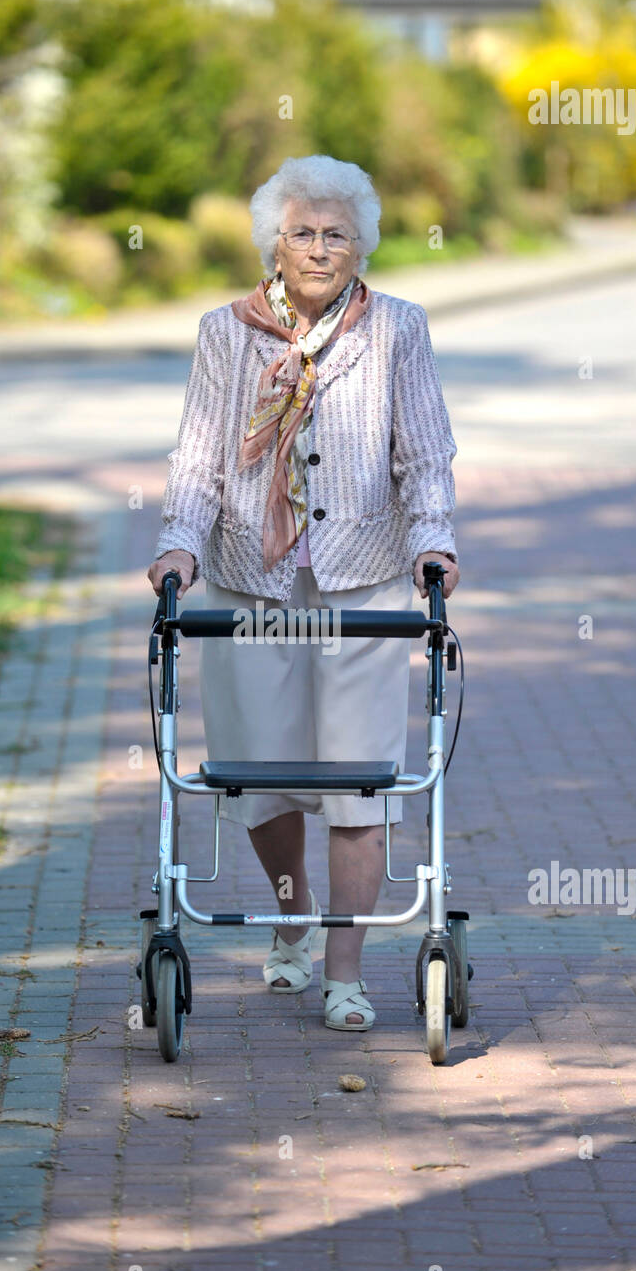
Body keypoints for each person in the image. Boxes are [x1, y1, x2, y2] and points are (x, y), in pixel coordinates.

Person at [148, 155, 459, 1031]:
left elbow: (425, 452)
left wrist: (434, 541)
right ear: (273, 244)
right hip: (252, 583)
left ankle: (344, 969)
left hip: (362, 583)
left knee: (359, 776)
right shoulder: (225, 332)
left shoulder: (398, 328)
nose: (319, 249)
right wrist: (178, 543)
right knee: (261, 776)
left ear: (361, 244)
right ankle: (290, 916)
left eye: (336, 234)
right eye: (302, 234)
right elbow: (199, 456)